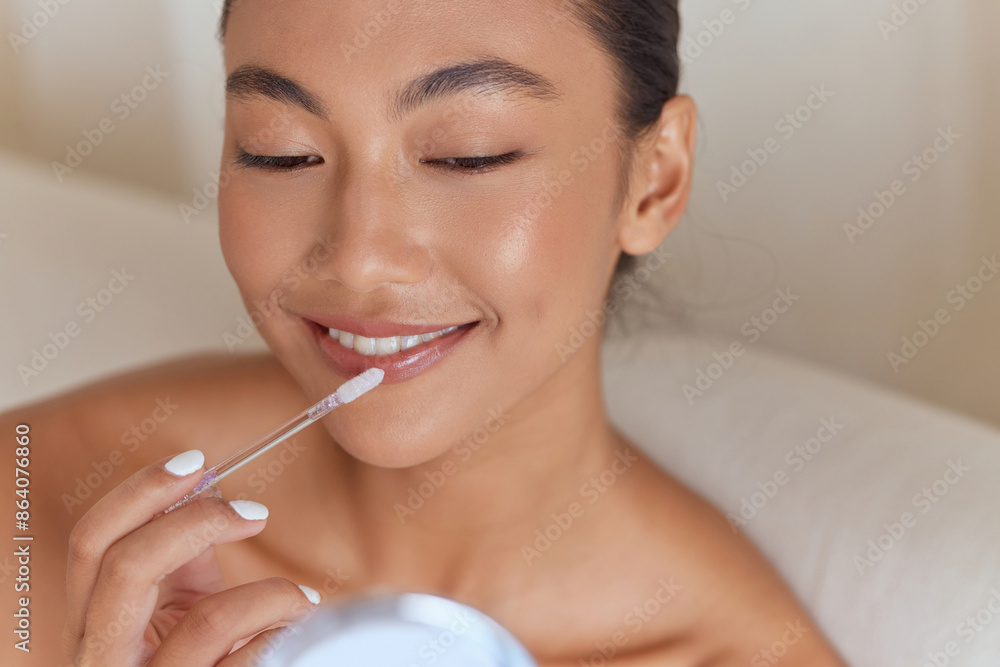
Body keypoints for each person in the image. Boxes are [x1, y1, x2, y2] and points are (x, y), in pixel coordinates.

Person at [1, 1, 849, 664]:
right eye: (280, 152)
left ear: (653, 182)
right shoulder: (37, 513)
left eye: (468, 156)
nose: (362, 258)